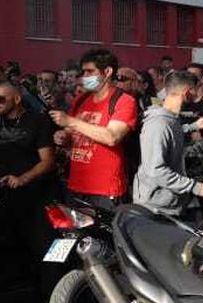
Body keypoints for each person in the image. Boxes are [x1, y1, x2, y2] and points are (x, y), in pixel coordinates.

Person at [0, 81, 58, 277]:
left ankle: (53, 296)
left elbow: (47, 162)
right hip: (8, 193)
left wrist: (23, 178)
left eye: (0, 99)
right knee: (0, 241)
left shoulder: (38, 121)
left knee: (45, 247)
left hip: (40, 193)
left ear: (17, 99)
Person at [50, 49, 139, 210]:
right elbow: (72, 132)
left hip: (105, 189)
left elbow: (112, 137)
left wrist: (70, 121)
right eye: (83, 72)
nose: (85, 76)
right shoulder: (81, 99)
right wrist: (63, 136)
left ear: (107, 72)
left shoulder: (124, 101)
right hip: (77, 184)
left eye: (90, 71)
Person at [134, 71, 203, 217]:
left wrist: (193, 126)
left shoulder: (171, 120)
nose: (197, 94)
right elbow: (155, 171)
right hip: (156, 209)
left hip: (170, 204)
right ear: (186, 92)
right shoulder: (159, 123)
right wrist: (195, 187)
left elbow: (170, 137)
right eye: (195, 89)